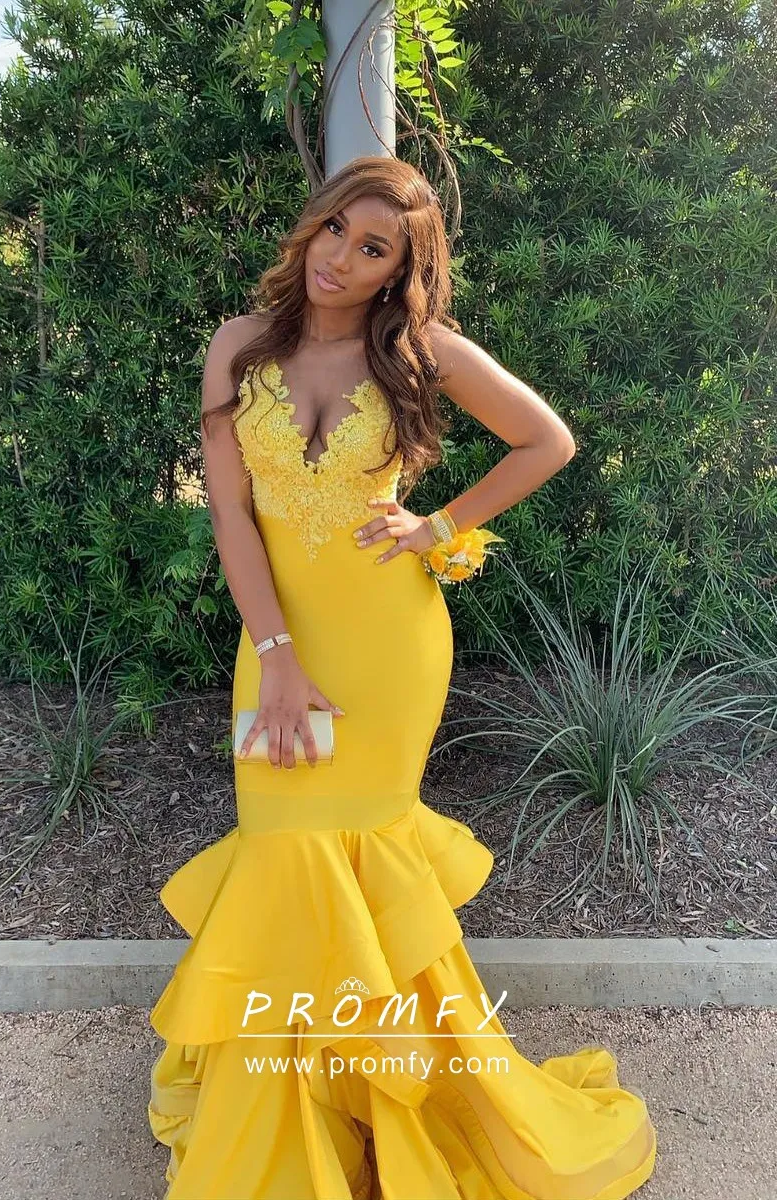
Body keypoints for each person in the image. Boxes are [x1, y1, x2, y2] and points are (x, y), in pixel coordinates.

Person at [147, 154, 657, 1199]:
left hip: (389, 648)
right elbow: (232, 517)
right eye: (336, 227)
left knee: (367, 866)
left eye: (372, 247)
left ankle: (395, 1114)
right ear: (314, 225)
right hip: (276, 648)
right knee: (285, 859)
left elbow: (545, 441)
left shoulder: (420, 352)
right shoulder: (238, 346)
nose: (341, 257)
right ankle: (289, 1128)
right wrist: (276, 657)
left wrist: (440, 525)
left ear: (398, 269)